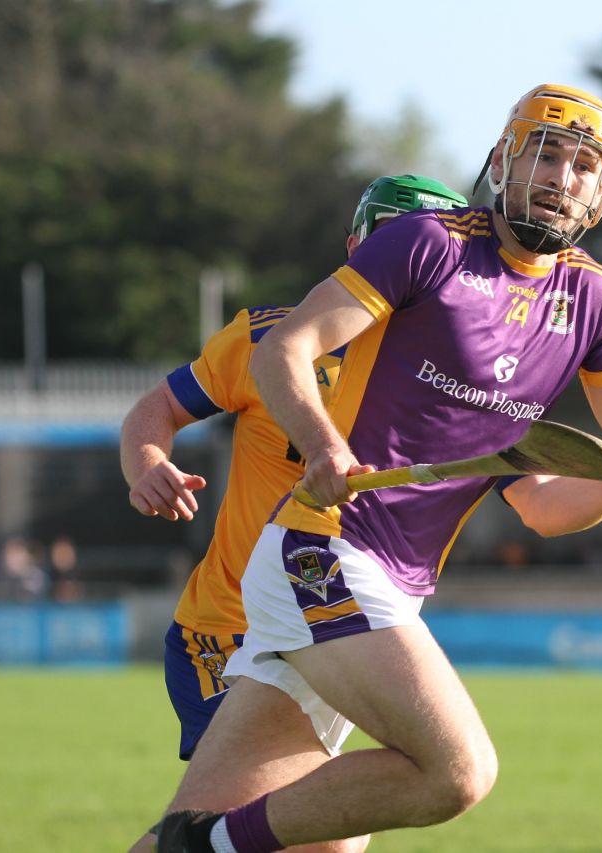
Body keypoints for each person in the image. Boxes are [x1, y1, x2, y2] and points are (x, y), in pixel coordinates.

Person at [155, 82, 602, 852]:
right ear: (503, 159)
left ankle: (197, 842)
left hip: (394, 586)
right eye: (547, 153)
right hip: (320, 549)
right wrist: (321, 444)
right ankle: (216, 845)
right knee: (458, 770)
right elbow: (289, 348)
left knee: (320, 843)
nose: (562, 177)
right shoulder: (428, 243)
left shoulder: (596, 302)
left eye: (586, 166)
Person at [120, 174, 470, 853]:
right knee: (280, 837)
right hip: (228, 634)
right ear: (356, 250)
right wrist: (147, 463)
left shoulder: (450, 385)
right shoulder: (268, 337)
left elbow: (540, 496)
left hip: (336, 637)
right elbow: (154, 409)